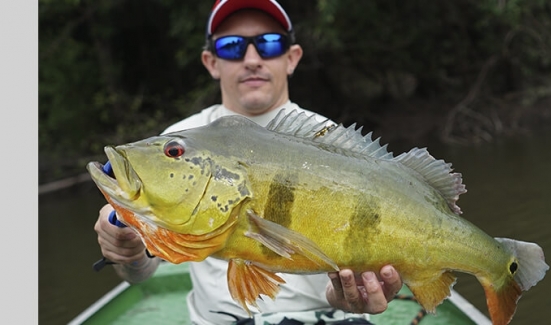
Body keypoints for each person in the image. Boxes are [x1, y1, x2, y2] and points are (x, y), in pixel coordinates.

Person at [93, 1, 403, 324]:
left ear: (292, 57)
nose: (252, 59)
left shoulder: (330, 142)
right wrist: (128, 253)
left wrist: (347, 296)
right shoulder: (179, 141)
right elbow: (142, 273)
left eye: (269, 43)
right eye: (232, 46)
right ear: (211, 62)